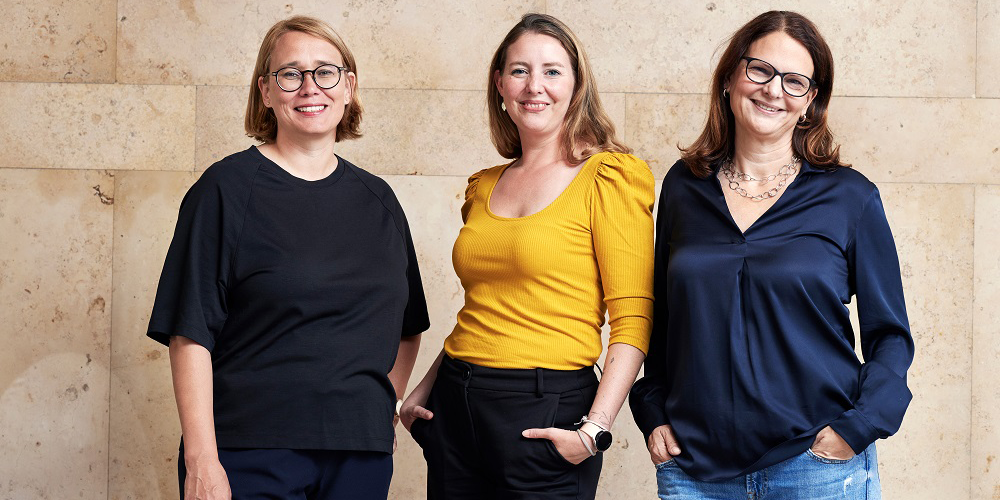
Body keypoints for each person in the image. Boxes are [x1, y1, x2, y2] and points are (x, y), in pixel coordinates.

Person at [629, 10, 914, 499]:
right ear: (730, 78)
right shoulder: (683, 187)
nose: (772, 89)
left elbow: (890, 335)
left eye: (794, 81)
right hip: (695, 469)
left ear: (810, 102)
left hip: (815, 467)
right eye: (759, 69)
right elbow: (664, 318)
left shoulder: (850, 198)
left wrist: (860, 426)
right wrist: (652, 411)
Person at [146, 16, 429, 500]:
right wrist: (201, 460)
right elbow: (189, 332)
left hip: (359, 457)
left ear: (349, 87)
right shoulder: (224, 191)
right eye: (290, 74)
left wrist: (383, 408)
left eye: (325, 72)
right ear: (266, 92)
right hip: (248, 454)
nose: (309, 87)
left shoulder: (378, 199)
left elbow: (408, 326)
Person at [398, 13, 654, 499]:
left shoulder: (610, 177)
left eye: (552, 71)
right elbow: (484, 304)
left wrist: (593, 430)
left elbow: (634, 316)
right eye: (519, 70)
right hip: (455, 403)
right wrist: (426, 388)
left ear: (577, 86)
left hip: (544, 409)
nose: (534, 86)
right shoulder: (484, 185)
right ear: (499, 83)